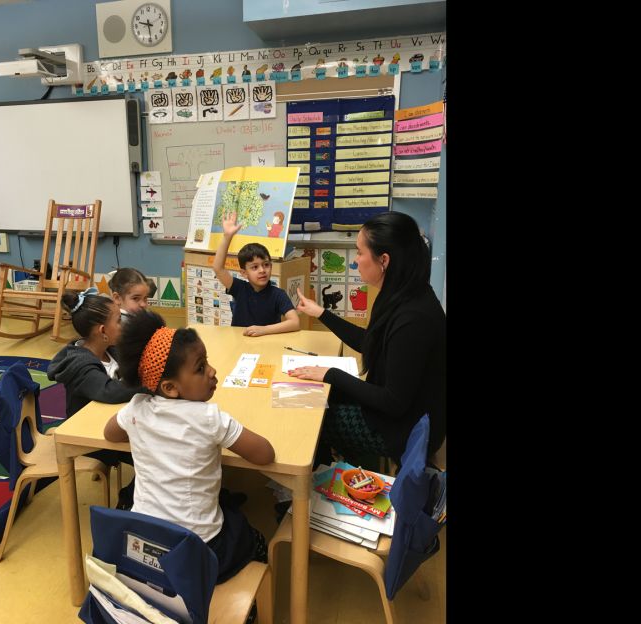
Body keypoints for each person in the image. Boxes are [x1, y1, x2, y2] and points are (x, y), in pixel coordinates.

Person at [104, 311, 275, 583]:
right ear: (170, 387)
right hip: (201, 551)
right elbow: (265, 454)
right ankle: (250, 606)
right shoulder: (209, 418)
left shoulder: (137, 408)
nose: (212, 371)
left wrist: (143, 428)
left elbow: (110, 433)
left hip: (143, 543)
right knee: (253, 534)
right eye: (200, 367)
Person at [288, 211, 445, 470]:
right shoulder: (400, 293)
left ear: (383, 260)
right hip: (397, 413)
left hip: (404, 430)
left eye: (360, 252)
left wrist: (331, 373)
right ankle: (329, 476)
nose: (356, 260)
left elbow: (392, 402)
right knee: (318, 393)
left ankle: (321, 485)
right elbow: (372, 342)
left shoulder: (414, 317)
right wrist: (322, 314)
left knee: (313, 416)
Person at [47, 287, 142, 507]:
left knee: (161, 446)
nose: (123, 325)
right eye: (119, 321)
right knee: (155, 453)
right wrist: (148, 384)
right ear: (102, 331)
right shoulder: (80, 364)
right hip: (92, 439)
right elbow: (109, 391)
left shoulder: (110, 350)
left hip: (110, 423)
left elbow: (131, 369)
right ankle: (129, 502)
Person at [213, 210, 300, 337]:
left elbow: (295, 322)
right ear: (244, 273)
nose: (262, 270)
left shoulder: (278, 295)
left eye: (266, 265)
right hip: (240, 342)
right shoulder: (239, 288)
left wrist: (263, 330)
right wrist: (227, 237)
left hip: (267, 344)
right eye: (254, 267)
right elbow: (218, 268)